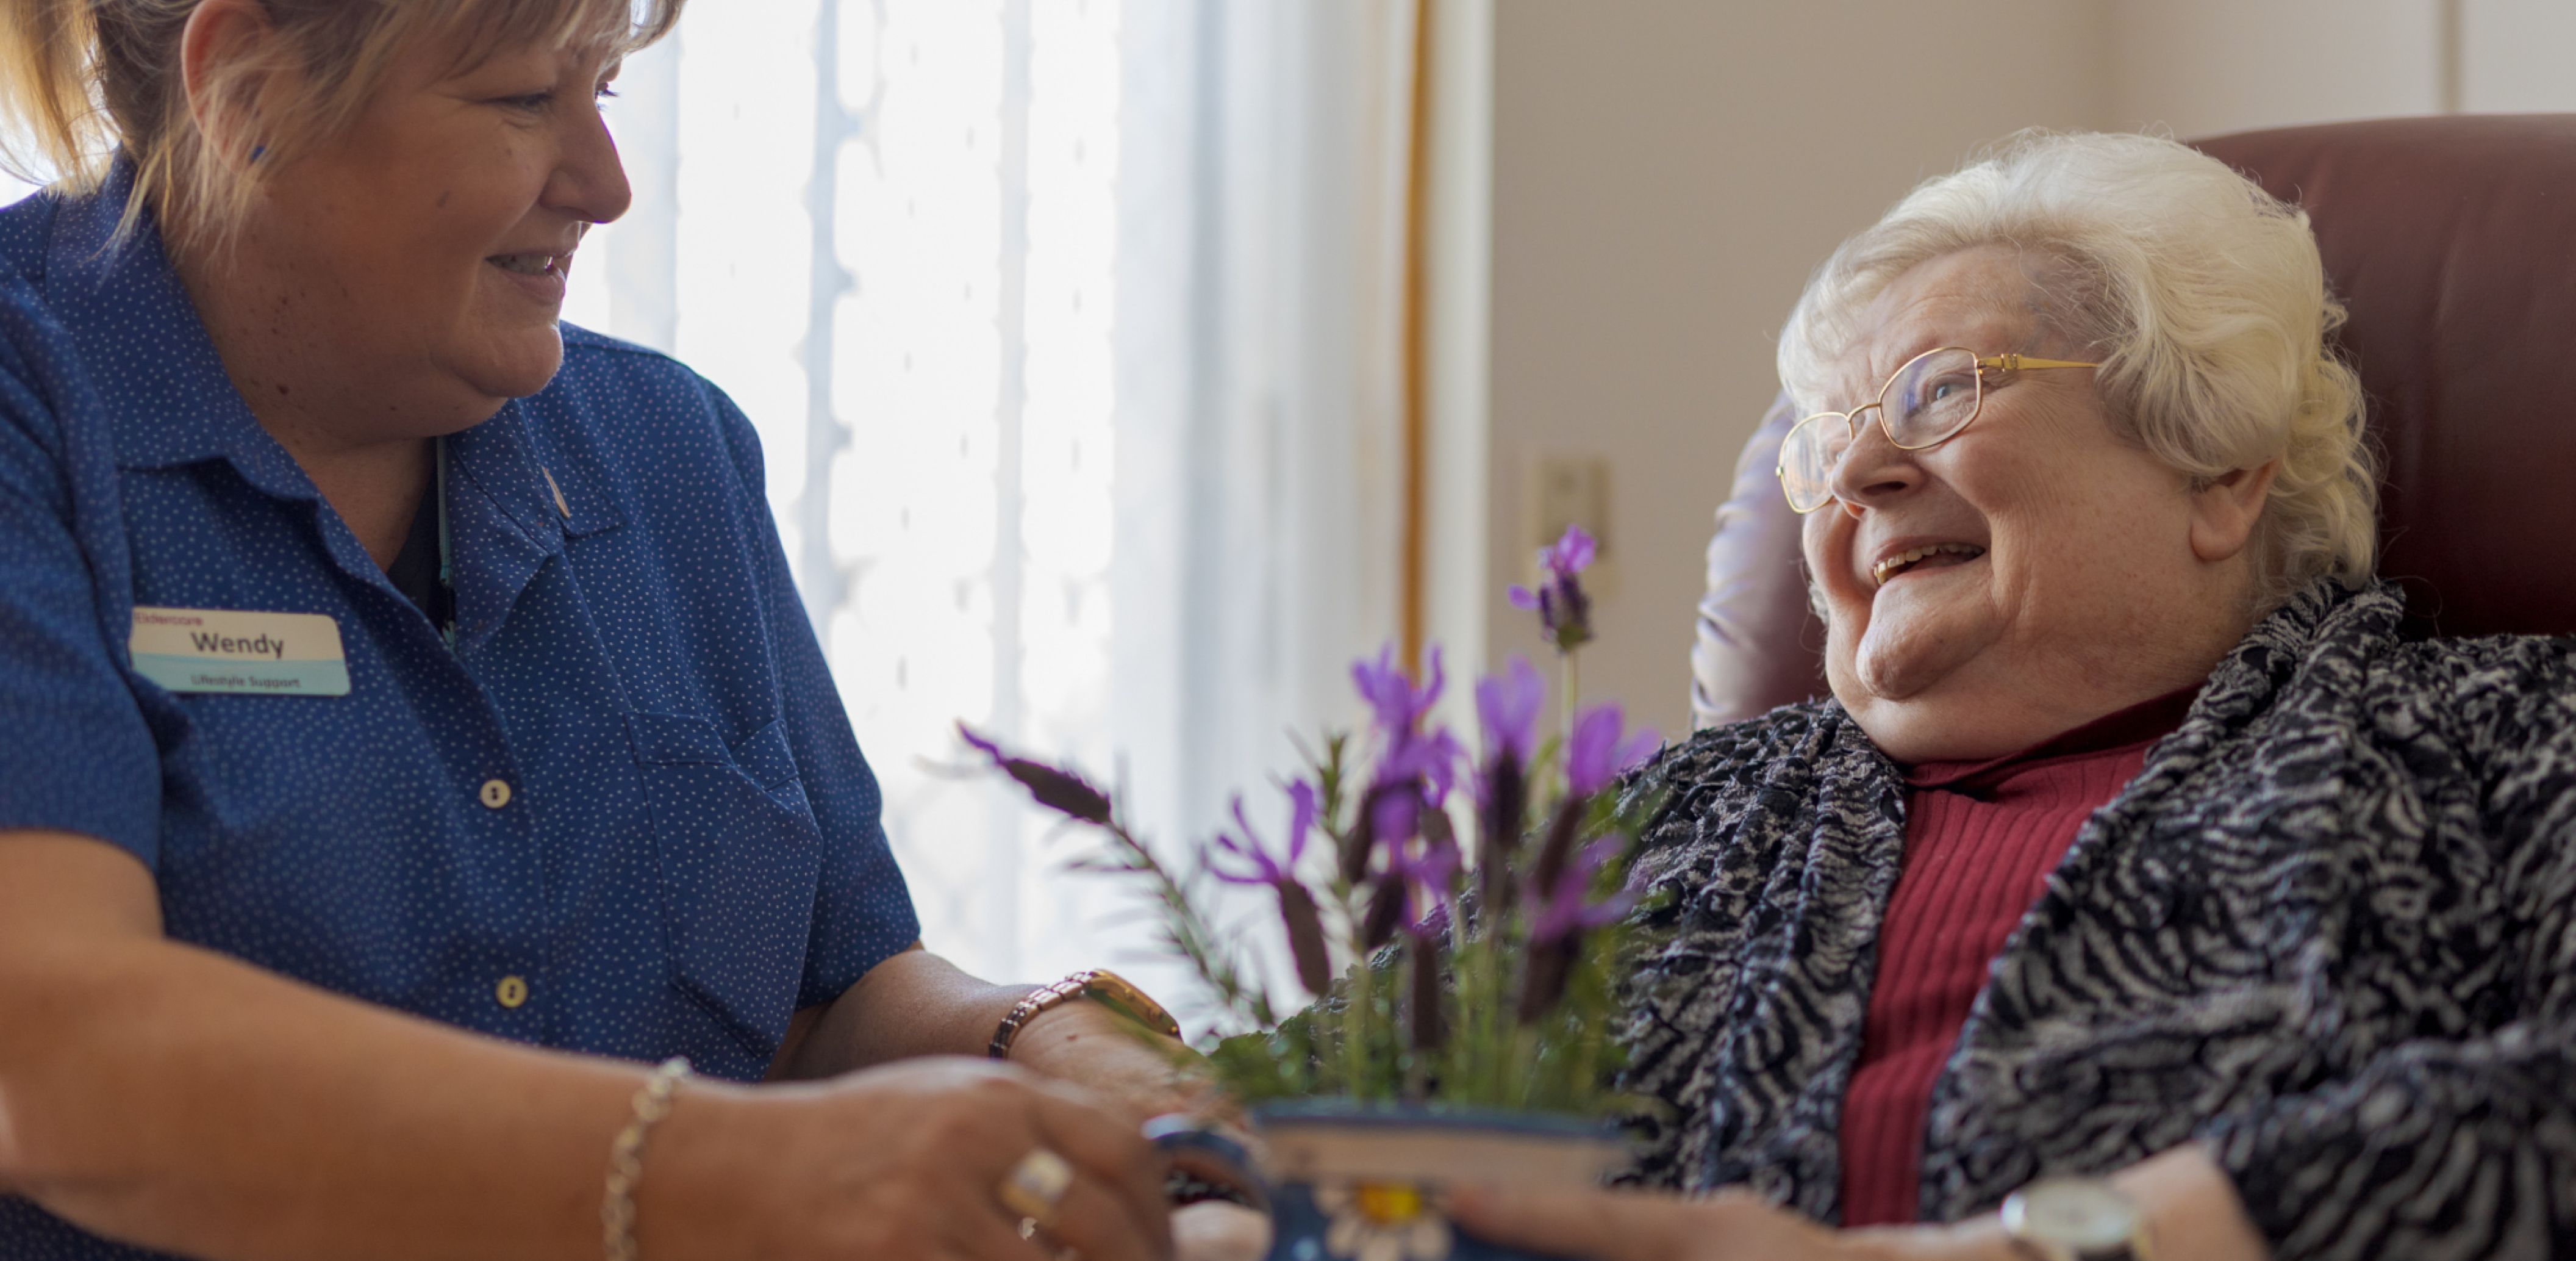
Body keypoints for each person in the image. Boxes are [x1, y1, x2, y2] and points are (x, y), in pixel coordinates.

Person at [0, 2, 1199, 1259]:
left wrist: (1045, 1041)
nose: (607, 185)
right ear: (248, 87)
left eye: (608, 91)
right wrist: (709, 1169)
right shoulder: (39, 420)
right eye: (525, 100)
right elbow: (58, 1056)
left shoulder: (669, 453)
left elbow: (830, 1001)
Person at [1426, 133, 2576, 1261]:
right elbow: (1317, 1087)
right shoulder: (1673, 818)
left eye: (1938, 394)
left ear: (2217, 467)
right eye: (1827, 446)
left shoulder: (2494, 738)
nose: (1858, 479)